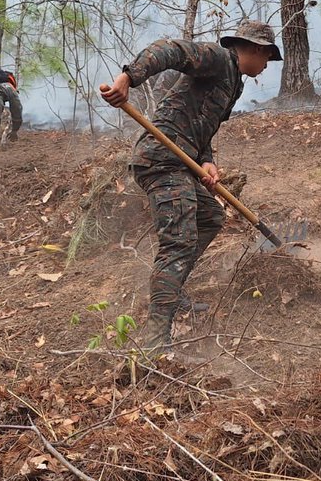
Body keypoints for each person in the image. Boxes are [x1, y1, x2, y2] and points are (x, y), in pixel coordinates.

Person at [99, 19, 282, 354]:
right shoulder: (214, 57)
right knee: (179, 243)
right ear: (256, 48)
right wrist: (129, 77)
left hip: (183, 160)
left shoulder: (234, 84)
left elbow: (203, 124)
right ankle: (154, 343)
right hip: (161, 158)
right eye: (268, 57)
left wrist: (207, 159)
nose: (267, 64)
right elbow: (170, 50)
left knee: (211, 216)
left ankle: (174, 285)